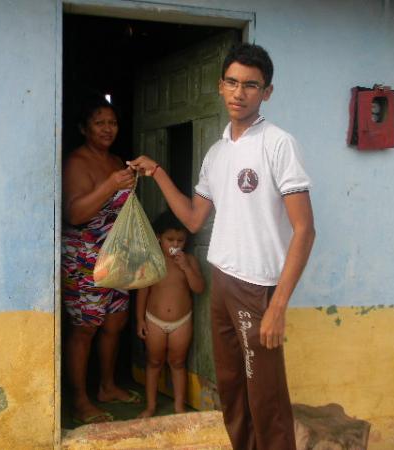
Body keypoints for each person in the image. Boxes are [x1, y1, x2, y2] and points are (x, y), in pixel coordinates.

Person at [128, 43, 315, 449]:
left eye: (250, 85)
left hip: (257, 287)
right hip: (222, 280)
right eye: (231, 82)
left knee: (265, 394)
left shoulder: (278, 144)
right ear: (219, 86)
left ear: (266, 92)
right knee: (232, 388)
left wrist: (277, 306)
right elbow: (194, 219)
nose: (238, 92)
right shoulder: (216, 154)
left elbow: (305, 230)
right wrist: (157, 172)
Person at [61, 94, 141, 425]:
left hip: (116, 256)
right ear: (83, 128)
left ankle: (107, 387)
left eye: (112, 122)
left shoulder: (117, 161)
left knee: (114, 323)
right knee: (85, 329)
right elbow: (76, 213)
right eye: (99, 122)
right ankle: (80, 401)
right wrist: (111, 184)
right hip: (85, 257)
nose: (108, 129)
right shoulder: (77, 163)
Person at [135, 210, 205, 418]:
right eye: (169, 239)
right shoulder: (152, 260)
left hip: (181, 322)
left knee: (177, 363)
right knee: (154, 362)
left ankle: (179, 407)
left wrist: (186, 268)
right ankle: (150, 406)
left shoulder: (190, 260)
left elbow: (199, 288)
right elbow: (143, 291)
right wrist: (139, 319)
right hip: (154, 320)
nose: (175, 244)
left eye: (180, 240)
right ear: (158, 237)